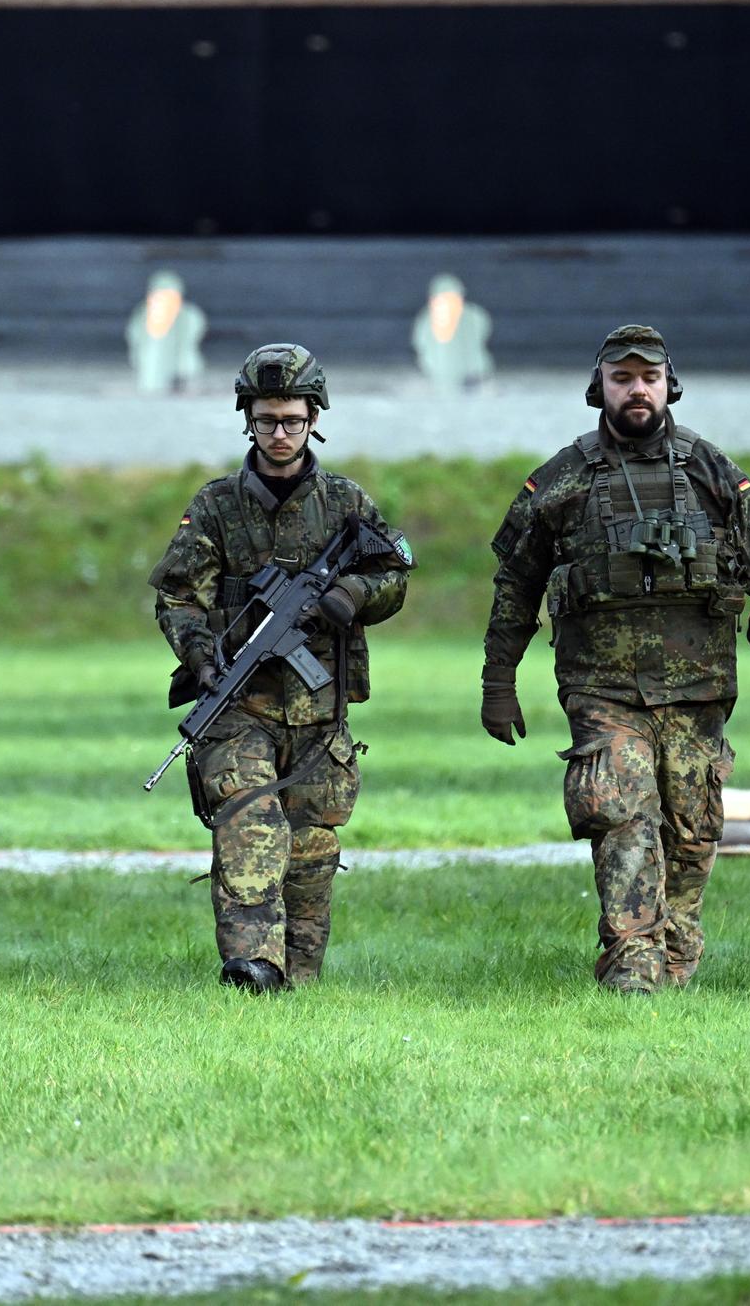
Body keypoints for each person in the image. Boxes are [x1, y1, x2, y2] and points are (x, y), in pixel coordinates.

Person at [480, 325, 750, 993]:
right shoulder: (562, 477)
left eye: (648, 377)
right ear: (599, 387)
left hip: (699, 689)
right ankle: (631, 968)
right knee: (624, 815)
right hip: (603, 690)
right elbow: (517, 582)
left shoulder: (713, 472)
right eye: (622, 378)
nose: (637, 389)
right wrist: (498, 680)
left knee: (692, 832)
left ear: (668, 385)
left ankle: (672, 963)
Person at [150, 344, 410, 992]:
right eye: (267, 419)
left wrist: (351, 596)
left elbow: (393, 571)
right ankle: (253, 966)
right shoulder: (215, 507)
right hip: (241, 707)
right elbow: (179, 595)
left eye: (292, 419)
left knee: (312, 852)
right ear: (248, 419)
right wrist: (201, 657)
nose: (280, 433)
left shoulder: (346, 503)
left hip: (321, 714)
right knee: (249, 824)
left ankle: (298, 977)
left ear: (314, 417)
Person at [125, 270, 207, 395]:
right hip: (150, 368)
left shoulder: (188, 315)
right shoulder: (143, 315)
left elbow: (194, 330)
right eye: (159, 296)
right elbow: (134, 334)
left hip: (179, 369)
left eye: (170, 296)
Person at [411, 273, 493, 394]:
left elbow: (482, 334)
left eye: (452, 298)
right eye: (442, 299)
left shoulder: (473, 316)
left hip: (473, 376)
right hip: (436, 376)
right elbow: (420, 342)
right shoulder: (426, 320)